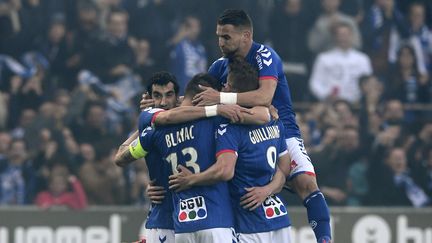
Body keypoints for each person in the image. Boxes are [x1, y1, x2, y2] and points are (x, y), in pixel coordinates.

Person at [191, 9, 332, 242]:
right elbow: (196, 97)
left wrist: (221, 98)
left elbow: (265, 96)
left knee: (307, 184)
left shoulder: (265, 55)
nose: (220, 43)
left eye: (226, 37)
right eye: (218, 36)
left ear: (246, 36)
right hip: (237, 133)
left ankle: (325, 240)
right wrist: (162, 105)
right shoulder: (219, 66)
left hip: (278, 130)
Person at [169, 58, 293, 242]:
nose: (223, 87)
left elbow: (225, 170)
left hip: (250, 224)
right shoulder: (274, 121)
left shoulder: (230, 127)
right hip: (280, 219)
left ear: (236, 93)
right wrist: (268, 189)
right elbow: (285, 167)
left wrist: (191, 179)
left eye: (227, 84)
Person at [115, 71, 180, 243]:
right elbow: (121, 155)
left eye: (169, 95)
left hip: (191, 219)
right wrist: (148, 124)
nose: (163, 102)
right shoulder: (153, 132)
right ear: (149, 98)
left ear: (178, 97)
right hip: (163, 219)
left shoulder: (193, 120)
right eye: (157, 96)